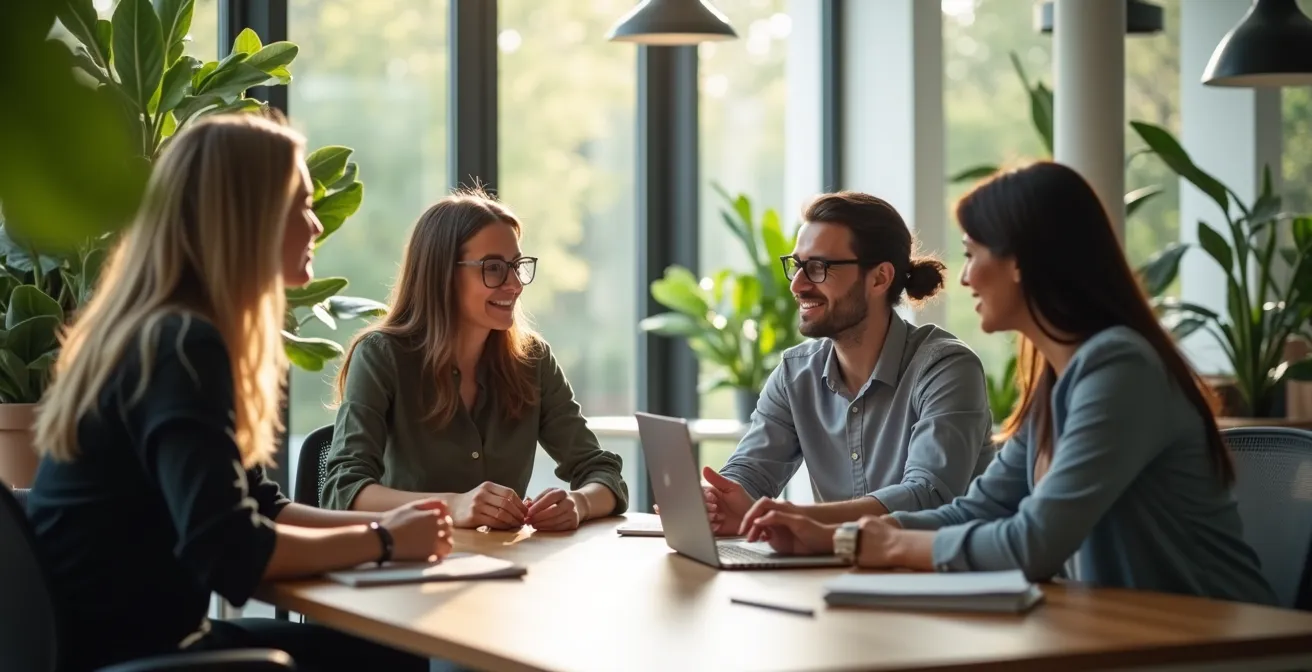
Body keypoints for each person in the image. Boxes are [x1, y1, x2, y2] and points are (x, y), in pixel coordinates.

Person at [25, 113, 454, 672]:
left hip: (114, 646)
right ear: (248, 217)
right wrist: (384, 541)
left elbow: (261, 506)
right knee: (388, 660)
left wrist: (397, 527)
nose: (316, 225)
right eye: (300, 205)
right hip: (140, 657)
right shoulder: (182, 345)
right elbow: (231, 553)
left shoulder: (154, 331)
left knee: (377, 651)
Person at [744, 162, 1275, 604]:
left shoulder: (1121, 369)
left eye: (974, 252)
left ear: (1021, 262)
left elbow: (1033, 543)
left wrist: (885, 547)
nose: (967, 275)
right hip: (1128, 636)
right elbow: (979, 510)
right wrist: (839, 537)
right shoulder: (1060, 381)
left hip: (1222, 644)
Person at [321, 188, 628, 530]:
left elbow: (601, 472)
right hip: (409, 569)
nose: (514, 284)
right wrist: (452, 505)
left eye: (516, 266)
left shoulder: (532, 360)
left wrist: (579, 503)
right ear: (442, 275)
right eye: (494, 268)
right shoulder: (381, 357)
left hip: (508, 567)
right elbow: (342, 490)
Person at [701, 191, 994, 535]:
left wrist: (797, 518)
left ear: (880, 278)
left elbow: (928, 495)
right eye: (797, 266)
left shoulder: (945, 368)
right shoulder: (796, 374)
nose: (797, 284)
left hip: (942, 580)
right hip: (835, 574)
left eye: (818, 268)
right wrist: (717, 501)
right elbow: (750, 474)